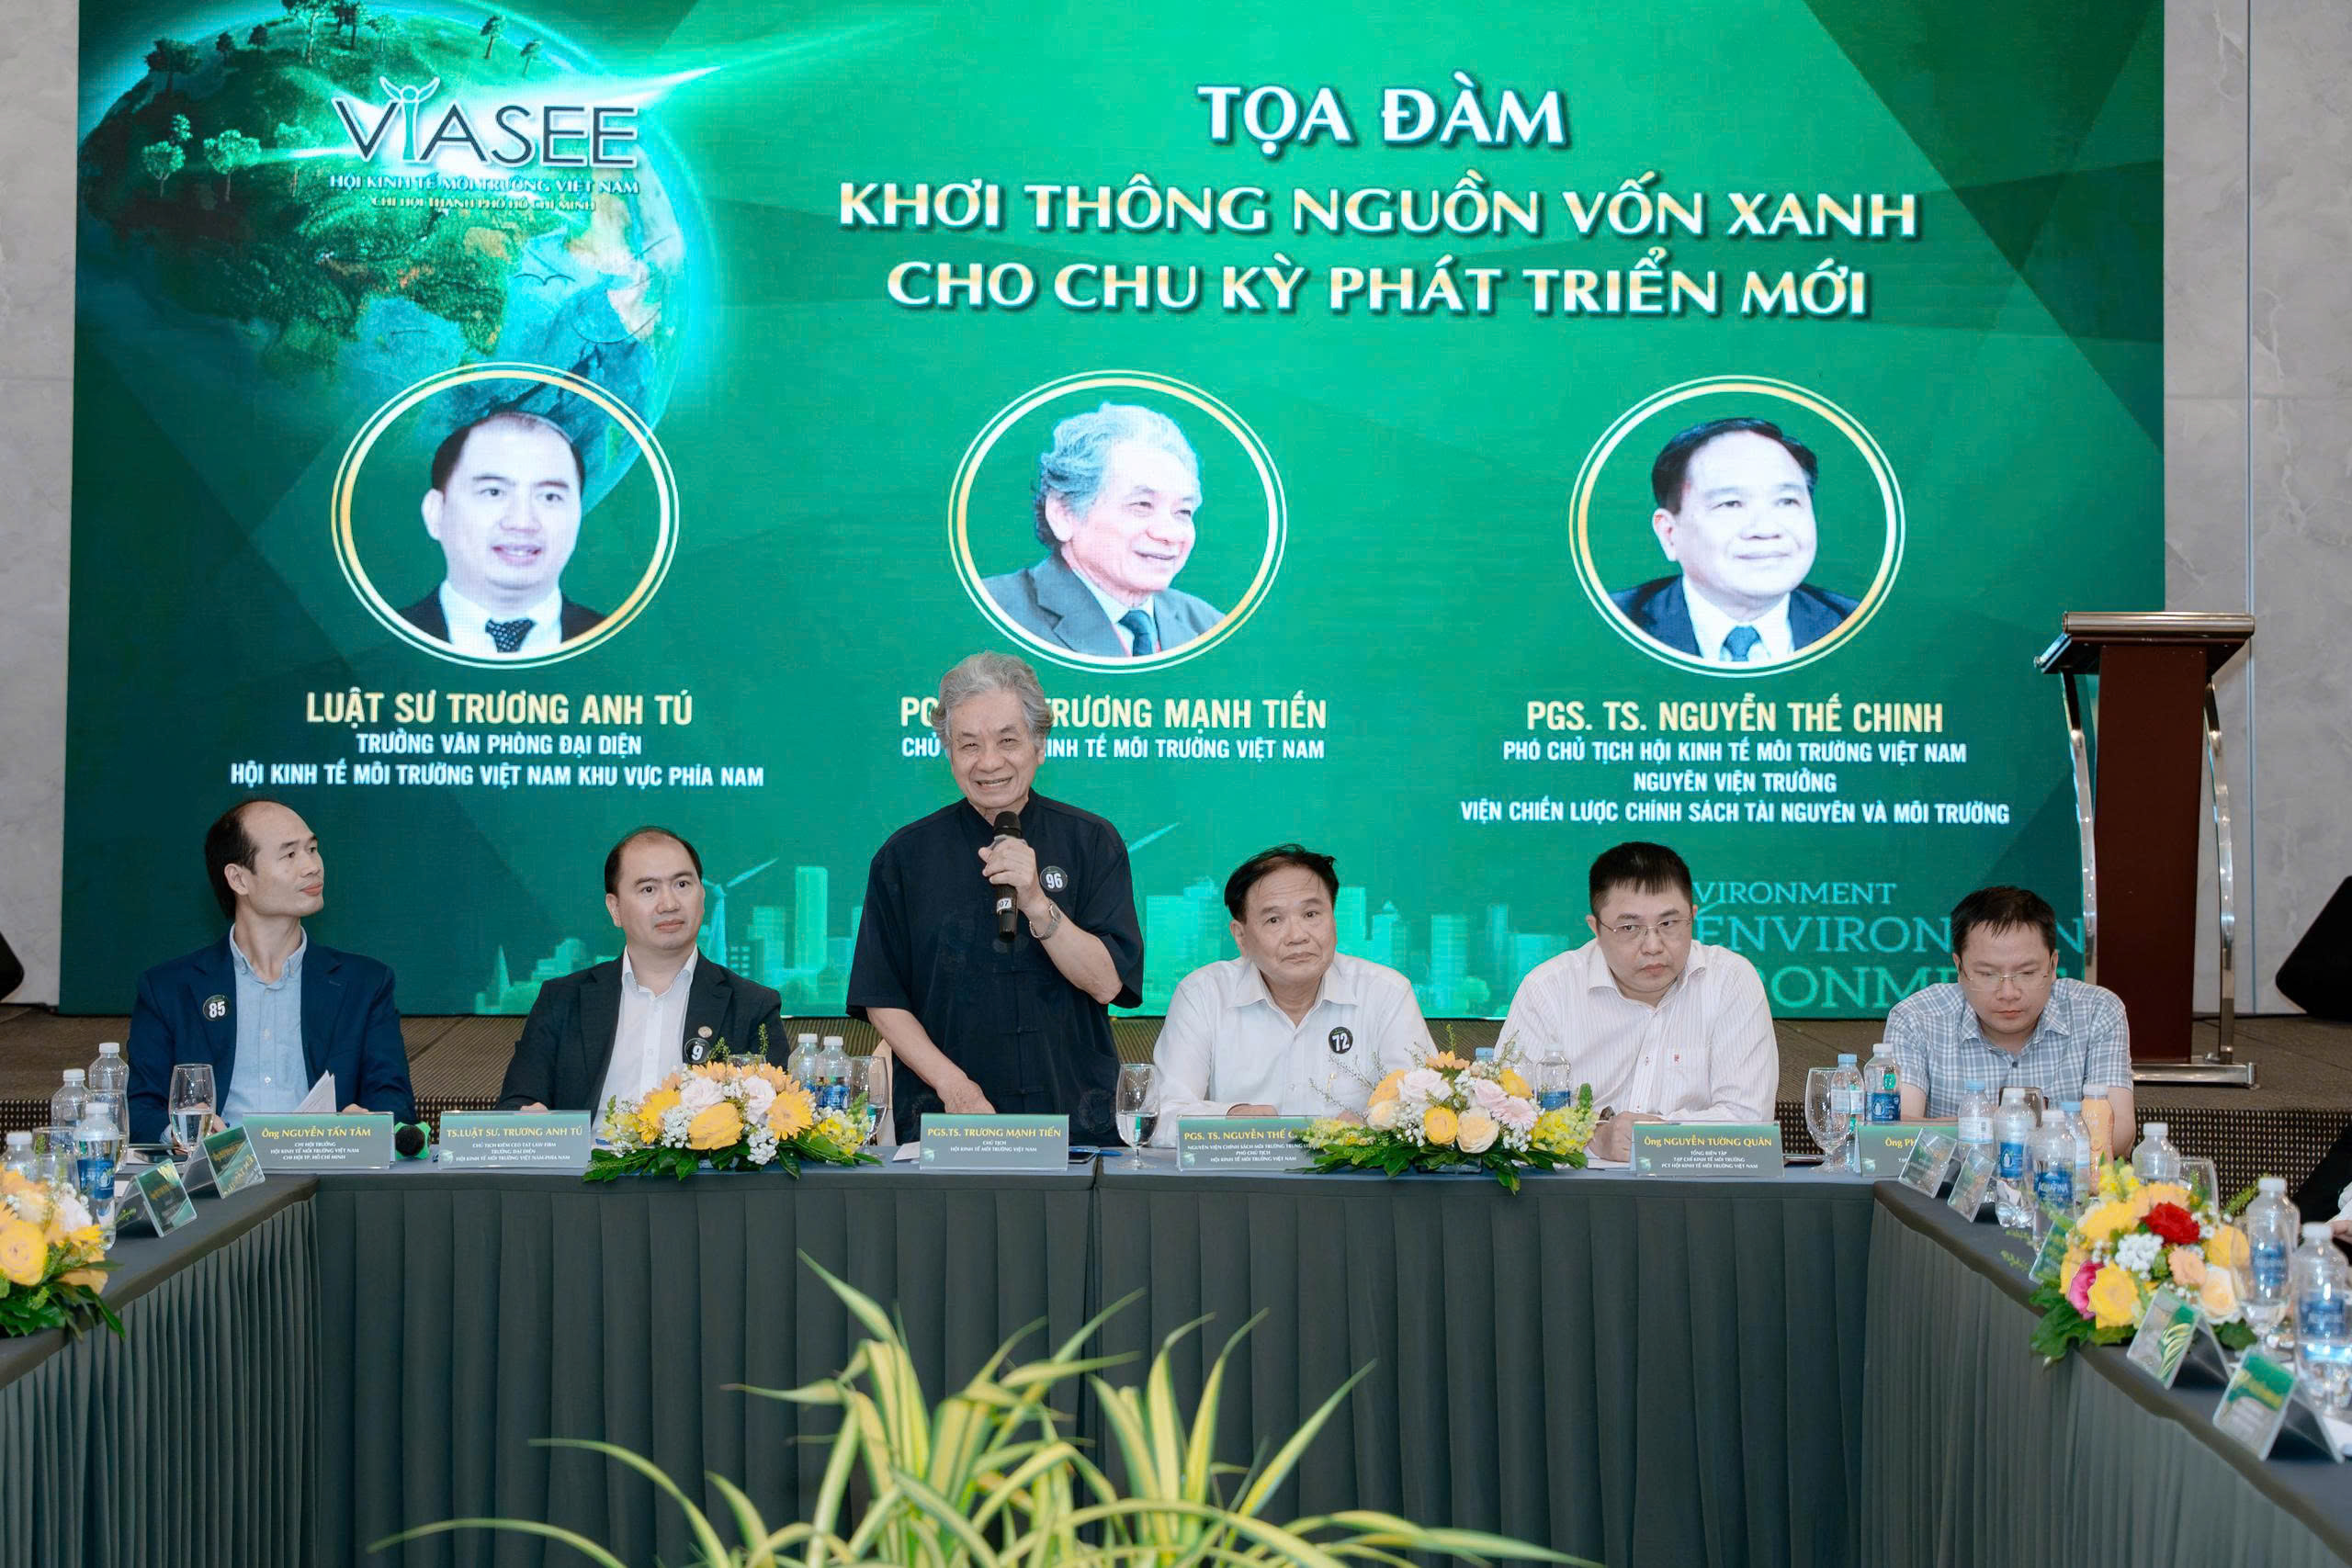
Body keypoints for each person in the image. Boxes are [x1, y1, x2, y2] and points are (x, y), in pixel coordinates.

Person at [849, 651, 1143, 1142]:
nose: (989, 762)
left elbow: (1108, 984)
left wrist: (1037, 903)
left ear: (1039, 744)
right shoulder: (904, 856)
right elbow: (882, 998)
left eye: (1008, 740)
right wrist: (954, 1087)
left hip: (1075, 1118)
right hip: (950, 1120)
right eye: (969, 745)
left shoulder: (1092, 841)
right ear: (948, 753)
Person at [126, 798, 415, 1142]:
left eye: (312, 849)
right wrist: (179, 1133)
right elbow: (140, 1109)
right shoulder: (169, 989)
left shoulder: (364, 984)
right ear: (239, 879)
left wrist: (371, 1122)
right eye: (290, 855)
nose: (312, 867)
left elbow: (395, 1102)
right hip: (216, 1172)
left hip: (325, 1167)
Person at [1498, 841, 1777, 1161]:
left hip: (1699, 1186)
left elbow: (1750, 1124)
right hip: (1577, 1187)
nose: (1653, 945)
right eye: (1629, 928)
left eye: (1668, 924)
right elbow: (1507, 1117)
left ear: (1692, 917)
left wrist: (1653, 1140)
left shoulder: (1731, 980)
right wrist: (1593, 1137)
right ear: (1596, 929)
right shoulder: (1548, 990)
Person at [500, 827, 786, 1112]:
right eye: (648, 889)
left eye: (682, 884)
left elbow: (776, 1116)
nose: (669, 904)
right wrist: (525, 1116)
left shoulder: (752, 1006)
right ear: (615, 909)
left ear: (701, 896)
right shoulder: (562, 1000)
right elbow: (518, 1101)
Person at [1150, 845, 1430, 1137]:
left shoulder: (1386, 993)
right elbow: (1161, 1116)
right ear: (1241, 937)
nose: (1298, 936)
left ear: (1334, 919)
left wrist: (1371, 1128)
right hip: (1245, 1167)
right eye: (1274, 920)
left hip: (1352, 1167)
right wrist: (1231, 1119)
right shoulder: (1203, 995)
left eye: (1311, 914)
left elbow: (1427, 1105)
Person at [1889, 885, 2135, 1152]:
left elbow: (2119, 1131)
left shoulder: (2097, 1011)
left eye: (2027, 973)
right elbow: (1894, 1130)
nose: (2008, 993)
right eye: (1987, 974)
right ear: (1959, 969)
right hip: (1951, 1181)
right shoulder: (1915, 1018)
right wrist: (1994, 1125)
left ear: (2053, 965)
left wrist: (2000, 1131)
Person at [982, 402, 1224, 657]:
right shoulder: (992, 615)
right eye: (1142, 505)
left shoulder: (1208, 626)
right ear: (1063, 513)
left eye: (1183, 512)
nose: (1170, 533)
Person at [1611, 416, 1858, 664]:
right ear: (1669, 534)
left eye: (1786, 501)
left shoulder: (1857, 625)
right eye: (1730, 504)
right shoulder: (1609, 626)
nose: (1766, 529)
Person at [400, 410, 605, 655]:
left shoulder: (623, 650)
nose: (522, 522)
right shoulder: (371, 652)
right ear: (435, 513)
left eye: (550, 497)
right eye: (494, 492)